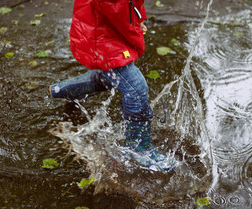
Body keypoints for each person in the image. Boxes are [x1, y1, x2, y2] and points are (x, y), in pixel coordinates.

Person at [49, 0, 176, 172]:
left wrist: (138, 18)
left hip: (106, 29)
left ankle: (69, 90)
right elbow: (115, 6)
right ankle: (137, 147)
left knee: (114, 76)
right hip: (103, 35)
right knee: (136, 89)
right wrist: (133, 27)